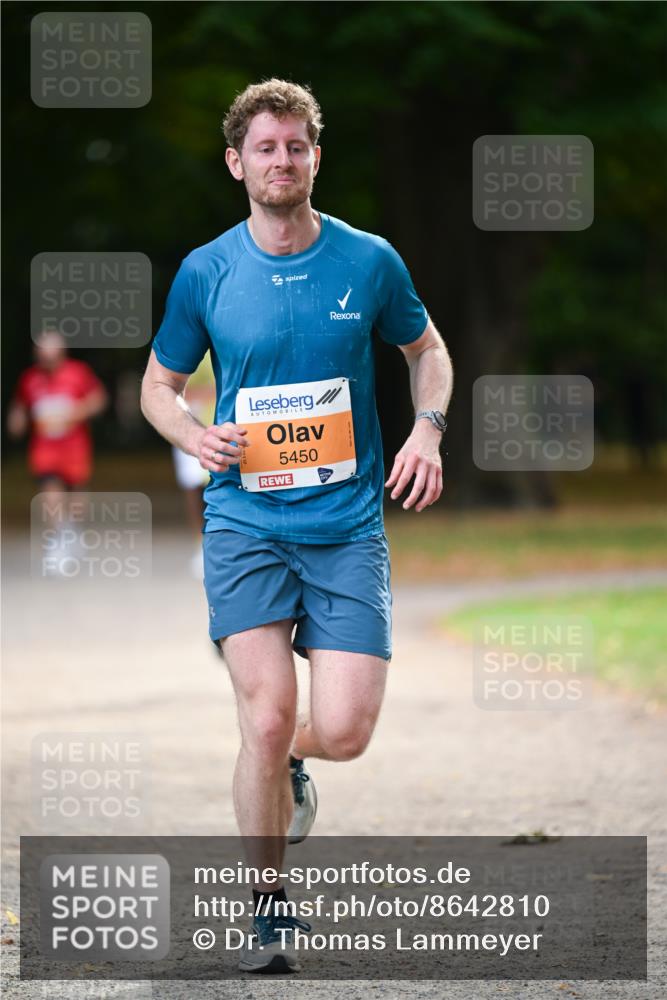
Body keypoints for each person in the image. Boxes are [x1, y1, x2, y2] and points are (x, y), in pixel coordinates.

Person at [141, 78, 453, 974]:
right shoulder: (207, 270)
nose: (283, 160)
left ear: (317, 156)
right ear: (238, 163)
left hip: (346, 524)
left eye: (297, 145)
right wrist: (193, 432)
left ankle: (280, 762)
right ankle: (267, 912)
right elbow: (156, 388)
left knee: (344, 729)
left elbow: (425, 351)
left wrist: (426, 429)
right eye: (266, 147)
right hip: (243, 522)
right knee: (268, 714)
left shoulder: (369, 261)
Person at [8, 331, 108, 571]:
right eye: (43, 354)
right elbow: (20, 405)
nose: (47, 359)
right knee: (50, 494)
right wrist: (17, 420)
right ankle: (57, 542)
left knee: (76, 500)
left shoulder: (78, 372)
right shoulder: (30, 379)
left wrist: (76, 413)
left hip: (75, 448)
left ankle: (72, 533)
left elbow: (99, 399)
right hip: (44, 450)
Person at [171, 351, 217, 577]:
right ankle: (201, 545)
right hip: (188, 427)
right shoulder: (184, 342)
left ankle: (216, 543)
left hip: (218, 422)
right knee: (192, 489)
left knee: (216, 486)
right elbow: (169, 390)